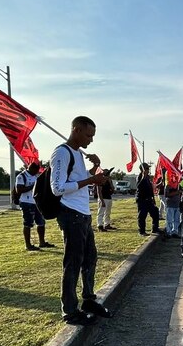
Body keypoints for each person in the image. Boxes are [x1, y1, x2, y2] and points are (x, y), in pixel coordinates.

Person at [50, 116, 112, 325]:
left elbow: (76, 179)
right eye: (88, 135)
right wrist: (91, 180)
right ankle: (69, 310)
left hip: (83, 214)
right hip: (70, 214)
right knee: (73, 263)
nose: (91, 140)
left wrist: (95, 170)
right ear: (76, 130)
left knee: (90, 259)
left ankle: (88, 299)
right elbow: (57, 188)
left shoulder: (77, 154)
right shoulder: (61, 153)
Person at [15, 162, 55, 251]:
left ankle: (42, 242)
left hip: (37, 202)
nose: (37, 172)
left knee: (41, 222)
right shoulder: (21, 176)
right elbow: (19, 190)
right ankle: (28, 245)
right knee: (28, 223)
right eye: (35, 170)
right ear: (31, 168)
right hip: (26, 202)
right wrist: (33, 186)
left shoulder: (37, 176)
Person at [135, 163, 160, 235]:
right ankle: (142, 231)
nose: (148, 170)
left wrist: (153, 198)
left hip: (149, 199)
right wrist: (143, 177)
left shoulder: (148, 177)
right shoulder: (139, 177)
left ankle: (155, 229)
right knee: (142, 215)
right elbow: (139, 186)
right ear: (143, 169)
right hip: (142, 200)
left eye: (148, 169)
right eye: (147, 169)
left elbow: (150, 188)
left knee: (155, 212)